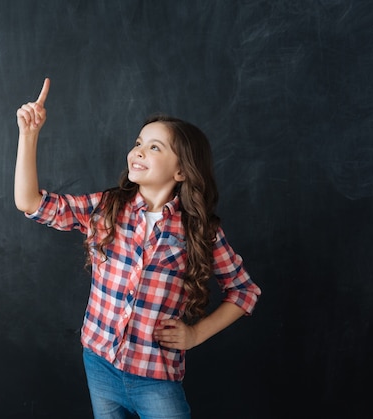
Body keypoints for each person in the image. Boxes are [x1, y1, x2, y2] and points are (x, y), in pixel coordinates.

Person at [14, 78, 261, 419]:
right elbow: (30, 202)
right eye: (139, 143)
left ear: (181, 170)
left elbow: (244, 291)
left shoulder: (200, 231)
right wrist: (29, 135)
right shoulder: (105, 207)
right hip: (99, 363)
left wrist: (194, 334)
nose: (139, 151)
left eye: (155, 147)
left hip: (156, 379)